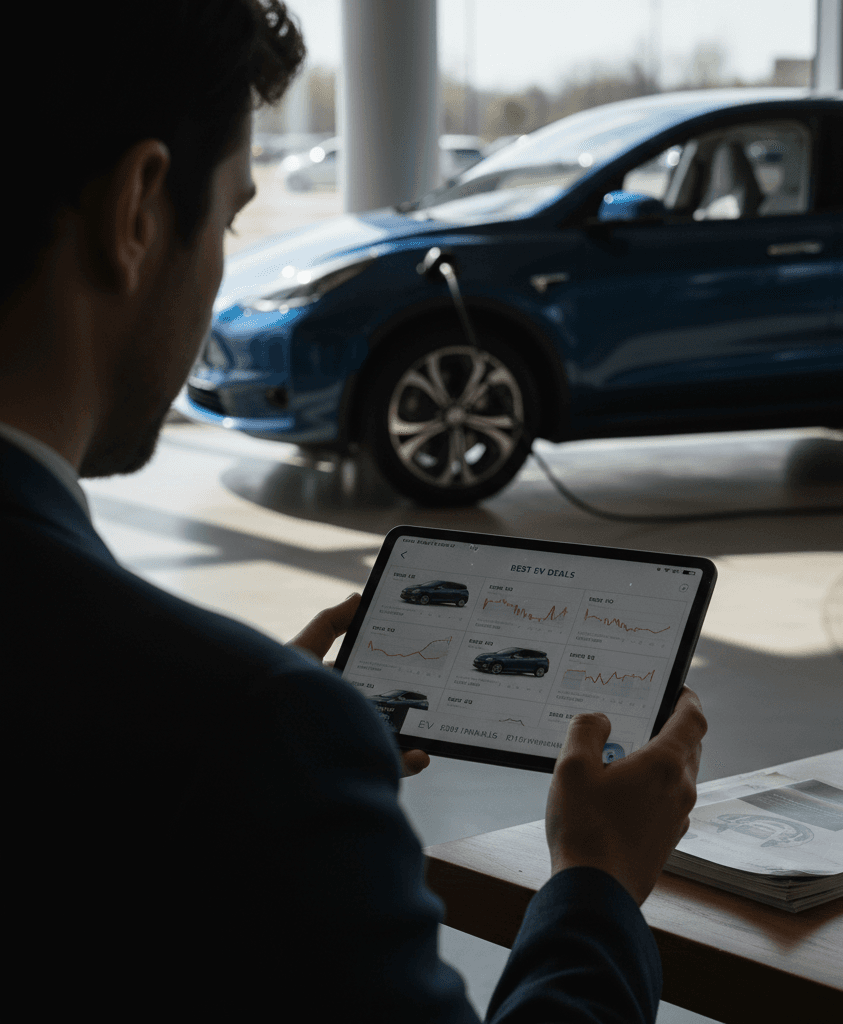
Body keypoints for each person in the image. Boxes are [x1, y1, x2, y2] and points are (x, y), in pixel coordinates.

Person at [1, 2, 707, 1018]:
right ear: (139, 211)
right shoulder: (248, 739)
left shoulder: (233, 732)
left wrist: (263, 757)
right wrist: (594, 879)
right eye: (234, 216)